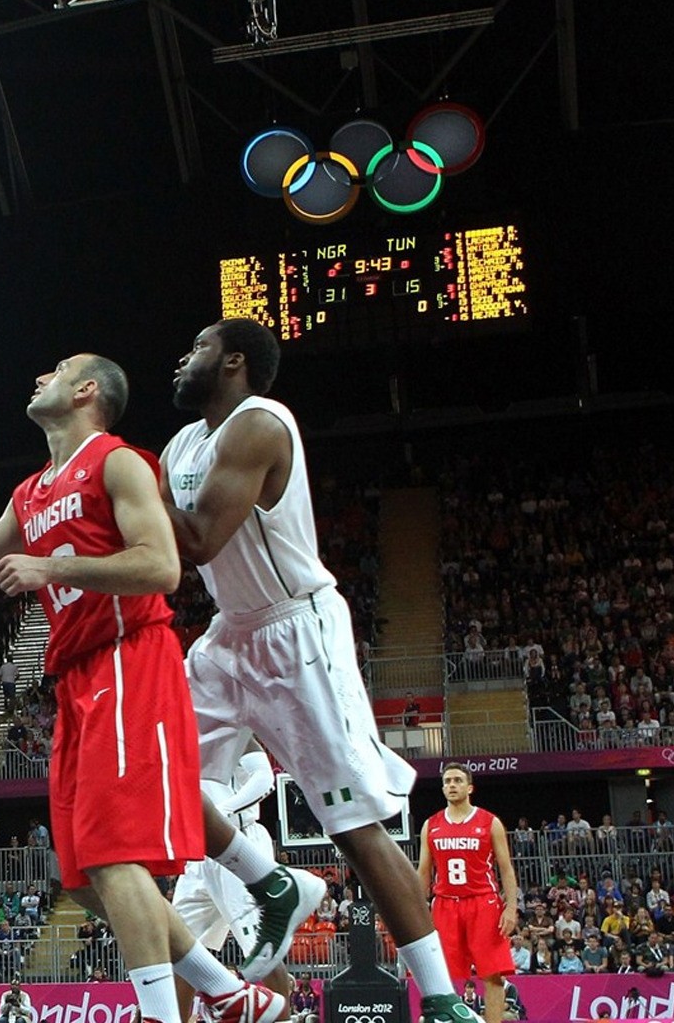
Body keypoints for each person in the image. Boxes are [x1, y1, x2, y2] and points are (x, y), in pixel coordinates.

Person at [0, 353, 282, 1023]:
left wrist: (46, 567)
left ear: (85, 391)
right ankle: (227, 992)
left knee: (114, 860)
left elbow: (162, 565)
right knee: (82, 880)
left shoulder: (117, 461)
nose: (36, 376)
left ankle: (162, 1015)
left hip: (127, 655)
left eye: (51, 370)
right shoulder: (30, 493)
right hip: (75, 676)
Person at [162, 318, 478, 1023]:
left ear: (235, 360)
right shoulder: (179, 447)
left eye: (199, 347)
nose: (183, 359)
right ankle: (275, 884)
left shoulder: (259, 423)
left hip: (293, 630)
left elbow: (198, 540)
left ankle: (446, 999)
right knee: (165, 786)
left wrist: (121, 479)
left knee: (355, 828)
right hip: (227, 637)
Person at [172, 746, 292, 1022]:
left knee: (261, 947)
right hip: (198, 854)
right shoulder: (175, 728)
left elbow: (264, 778)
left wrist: (222, 810)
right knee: (180, 948)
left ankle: (285, 1018)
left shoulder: (229, 722)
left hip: (236, 841)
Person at [417, 763, 520, 1023]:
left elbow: (506, 870)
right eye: (447, 781)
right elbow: (424, 872)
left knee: (492, 973)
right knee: (442, 974)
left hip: (483, 902)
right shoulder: (431, 825)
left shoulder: (490, 822)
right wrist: (418, 909)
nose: (451, 785)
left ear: (469, 787)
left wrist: (510, 908)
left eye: (457, 781)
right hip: (445, 903)